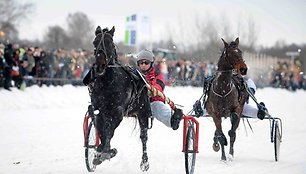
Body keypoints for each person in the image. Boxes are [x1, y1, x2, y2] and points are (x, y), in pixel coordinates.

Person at [136, 49, 183, 130]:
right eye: (141, 63)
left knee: (158, 107)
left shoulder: (156, 74)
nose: (143, 65)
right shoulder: (134, 74)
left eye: (146, 63)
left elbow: (159, 86)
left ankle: (172, 120)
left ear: (151, 64)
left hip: (152, 102)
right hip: (136, 103)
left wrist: (151, 90)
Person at [194, 75, 268, 120]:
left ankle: (261, 112)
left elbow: (252, 87)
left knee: (247, 110)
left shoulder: (244, 78)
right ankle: (200, 111)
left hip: (239, 104)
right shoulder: (221, 75)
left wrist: (249, 92)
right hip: (220, 105)